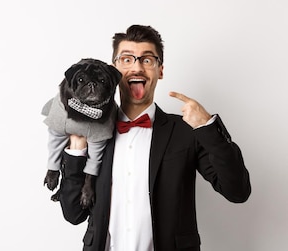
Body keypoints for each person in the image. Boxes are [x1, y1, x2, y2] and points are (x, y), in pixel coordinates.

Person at [57, 25, 251, 251]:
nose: (137, 67)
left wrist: (206, 126)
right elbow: (73, 214)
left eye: (147, 60)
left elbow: (238, 191)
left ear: (160, 70)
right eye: (127, 59)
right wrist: (78, 145)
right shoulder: (92, 132)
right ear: (113, 70)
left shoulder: (186, 131)